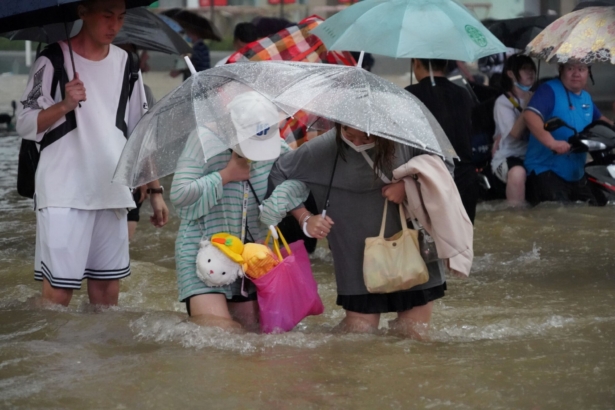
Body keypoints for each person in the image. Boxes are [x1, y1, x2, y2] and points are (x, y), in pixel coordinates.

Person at [16, 0, 168, 307]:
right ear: (83, 12)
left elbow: (141, 129)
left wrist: (155, 190)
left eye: (121, 17)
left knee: (106, 299)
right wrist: (64, 105)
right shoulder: (53, 59)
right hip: (62, 192)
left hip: (111, 190)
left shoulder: (127, 62)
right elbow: (24, 123)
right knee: (58, 297)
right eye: (107, 16)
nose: (115, 25)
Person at [260, 125, 450, 339]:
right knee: (358, 336)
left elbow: (445, 168)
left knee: (414, 335)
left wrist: (408, 186)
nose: (357, 143)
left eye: (367, 137)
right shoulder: (324, 147)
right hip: (356, 255)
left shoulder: (406, 136)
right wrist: (304, 217)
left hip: (413, 249)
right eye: (349, 136)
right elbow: (279, 173)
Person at [170, 92, 287, 331]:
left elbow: (299, 181)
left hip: (250, 255)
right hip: (203, 249)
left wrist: (292, 209)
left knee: (253, 335)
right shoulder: (203, 139)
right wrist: (225, 175)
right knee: (221, 333)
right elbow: (179, 196)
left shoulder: (276, 146)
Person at [523, 61, 613, 205]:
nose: (576, 73)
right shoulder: (548, 90)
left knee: (593, 213)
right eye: (570, 68)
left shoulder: (586, 98)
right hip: (545, 170)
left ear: (588, 72)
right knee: (558, 217)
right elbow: (530, 115)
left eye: (581, 69)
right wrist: (552, 143)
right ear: (561, 69)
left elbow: (601, 122)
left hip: (576, 174)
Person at [406, 58, 479, 223]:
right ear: (446, 64)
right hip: (466, 181)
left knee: (427, 244)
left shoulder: (410, 95)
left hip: (429, 180)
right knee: (463, 245)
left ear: (416, 62)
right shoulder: (463, 93)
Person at [491, 54, 537, 206]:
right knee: (518, 173)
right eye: (524, 69)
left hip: (536, 154)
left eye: (531, 69)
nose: (530, 73)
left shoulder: (539, 96)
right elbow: (515, 134)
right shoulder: (503, 102)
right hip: (510, 156)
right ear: (510, 73)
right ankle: (516, 215)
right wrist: (527, 108)